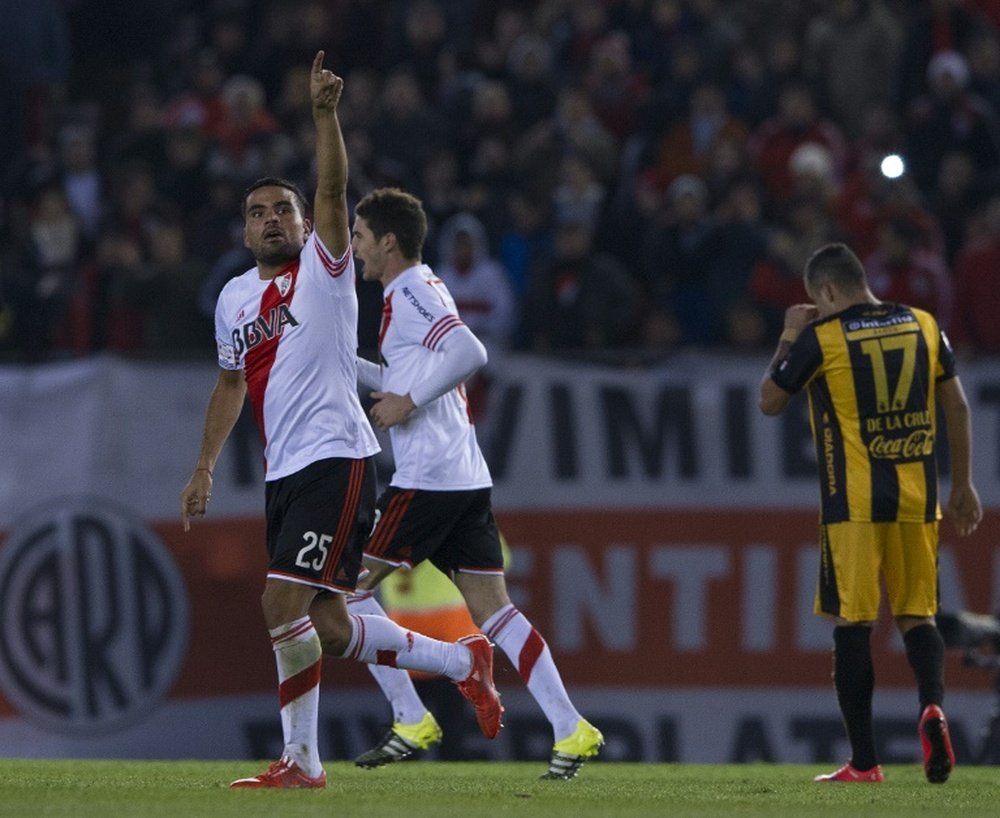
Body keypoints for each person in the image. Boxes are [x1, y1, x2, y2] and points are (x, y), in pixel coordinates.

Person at [179, 53, 501, 791]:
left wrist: (324, 117)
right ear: (244, 229)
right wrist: (202, 467)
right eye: (257, 213)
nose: (270, 221)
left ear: (302, 222)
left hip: (337, 459)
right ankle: (463, 660)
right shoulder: (232, 299)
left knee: (277, 603)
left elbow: (332, 186)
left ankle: (303, 763)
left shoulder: (325, 270)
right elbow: (230, 383)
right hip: (284, 472)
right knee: (326, 625)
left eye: (281, 210)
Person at [344, 185, 604, 780]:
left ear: (388, 241)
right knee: (497, 611)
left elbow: (470, 350)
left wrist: (408, 399)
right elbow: (412, 369)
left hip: (428, 478)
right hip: (463, 475)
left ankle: (412, 712)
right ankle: (571, 727)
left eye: (360, 236)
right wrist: (347, 364)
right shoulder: (420, 289)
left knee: (342, 591)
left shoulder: (408, 291)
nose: (354, 247)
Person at [758, 242, 983, 784]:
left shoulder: (822, 336)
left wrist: (790, 331)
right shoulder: (924, 324)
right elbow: (957, 404)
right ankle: (931, 706)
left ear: (827, 291)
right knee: (917, 616)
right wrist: (964, 485)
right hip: (916, 499)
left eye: (817, 299)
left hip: (853, 505)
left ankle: (864, 762)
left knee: (852, 628)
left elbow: (769, 400)